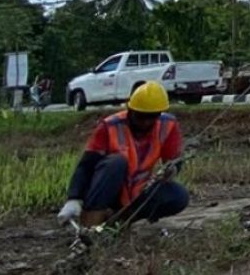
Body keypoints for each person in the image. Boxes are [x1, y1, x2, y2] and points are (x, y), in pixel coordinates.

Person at [56, 81, 188, 229]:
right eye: (140, 116)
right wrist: (74, 198)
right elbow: (87, 165)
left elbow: (174, 160)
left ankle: (120, 220)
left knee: (178, 195)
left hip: (137, 194)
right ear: (130, 109)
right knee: (116, 163)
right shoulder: (110, 126)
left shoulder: (168, 125)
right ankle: (91, 223)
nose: (145, 122)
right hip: (108, 192)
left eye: (151, 117)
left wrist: (173, 169)